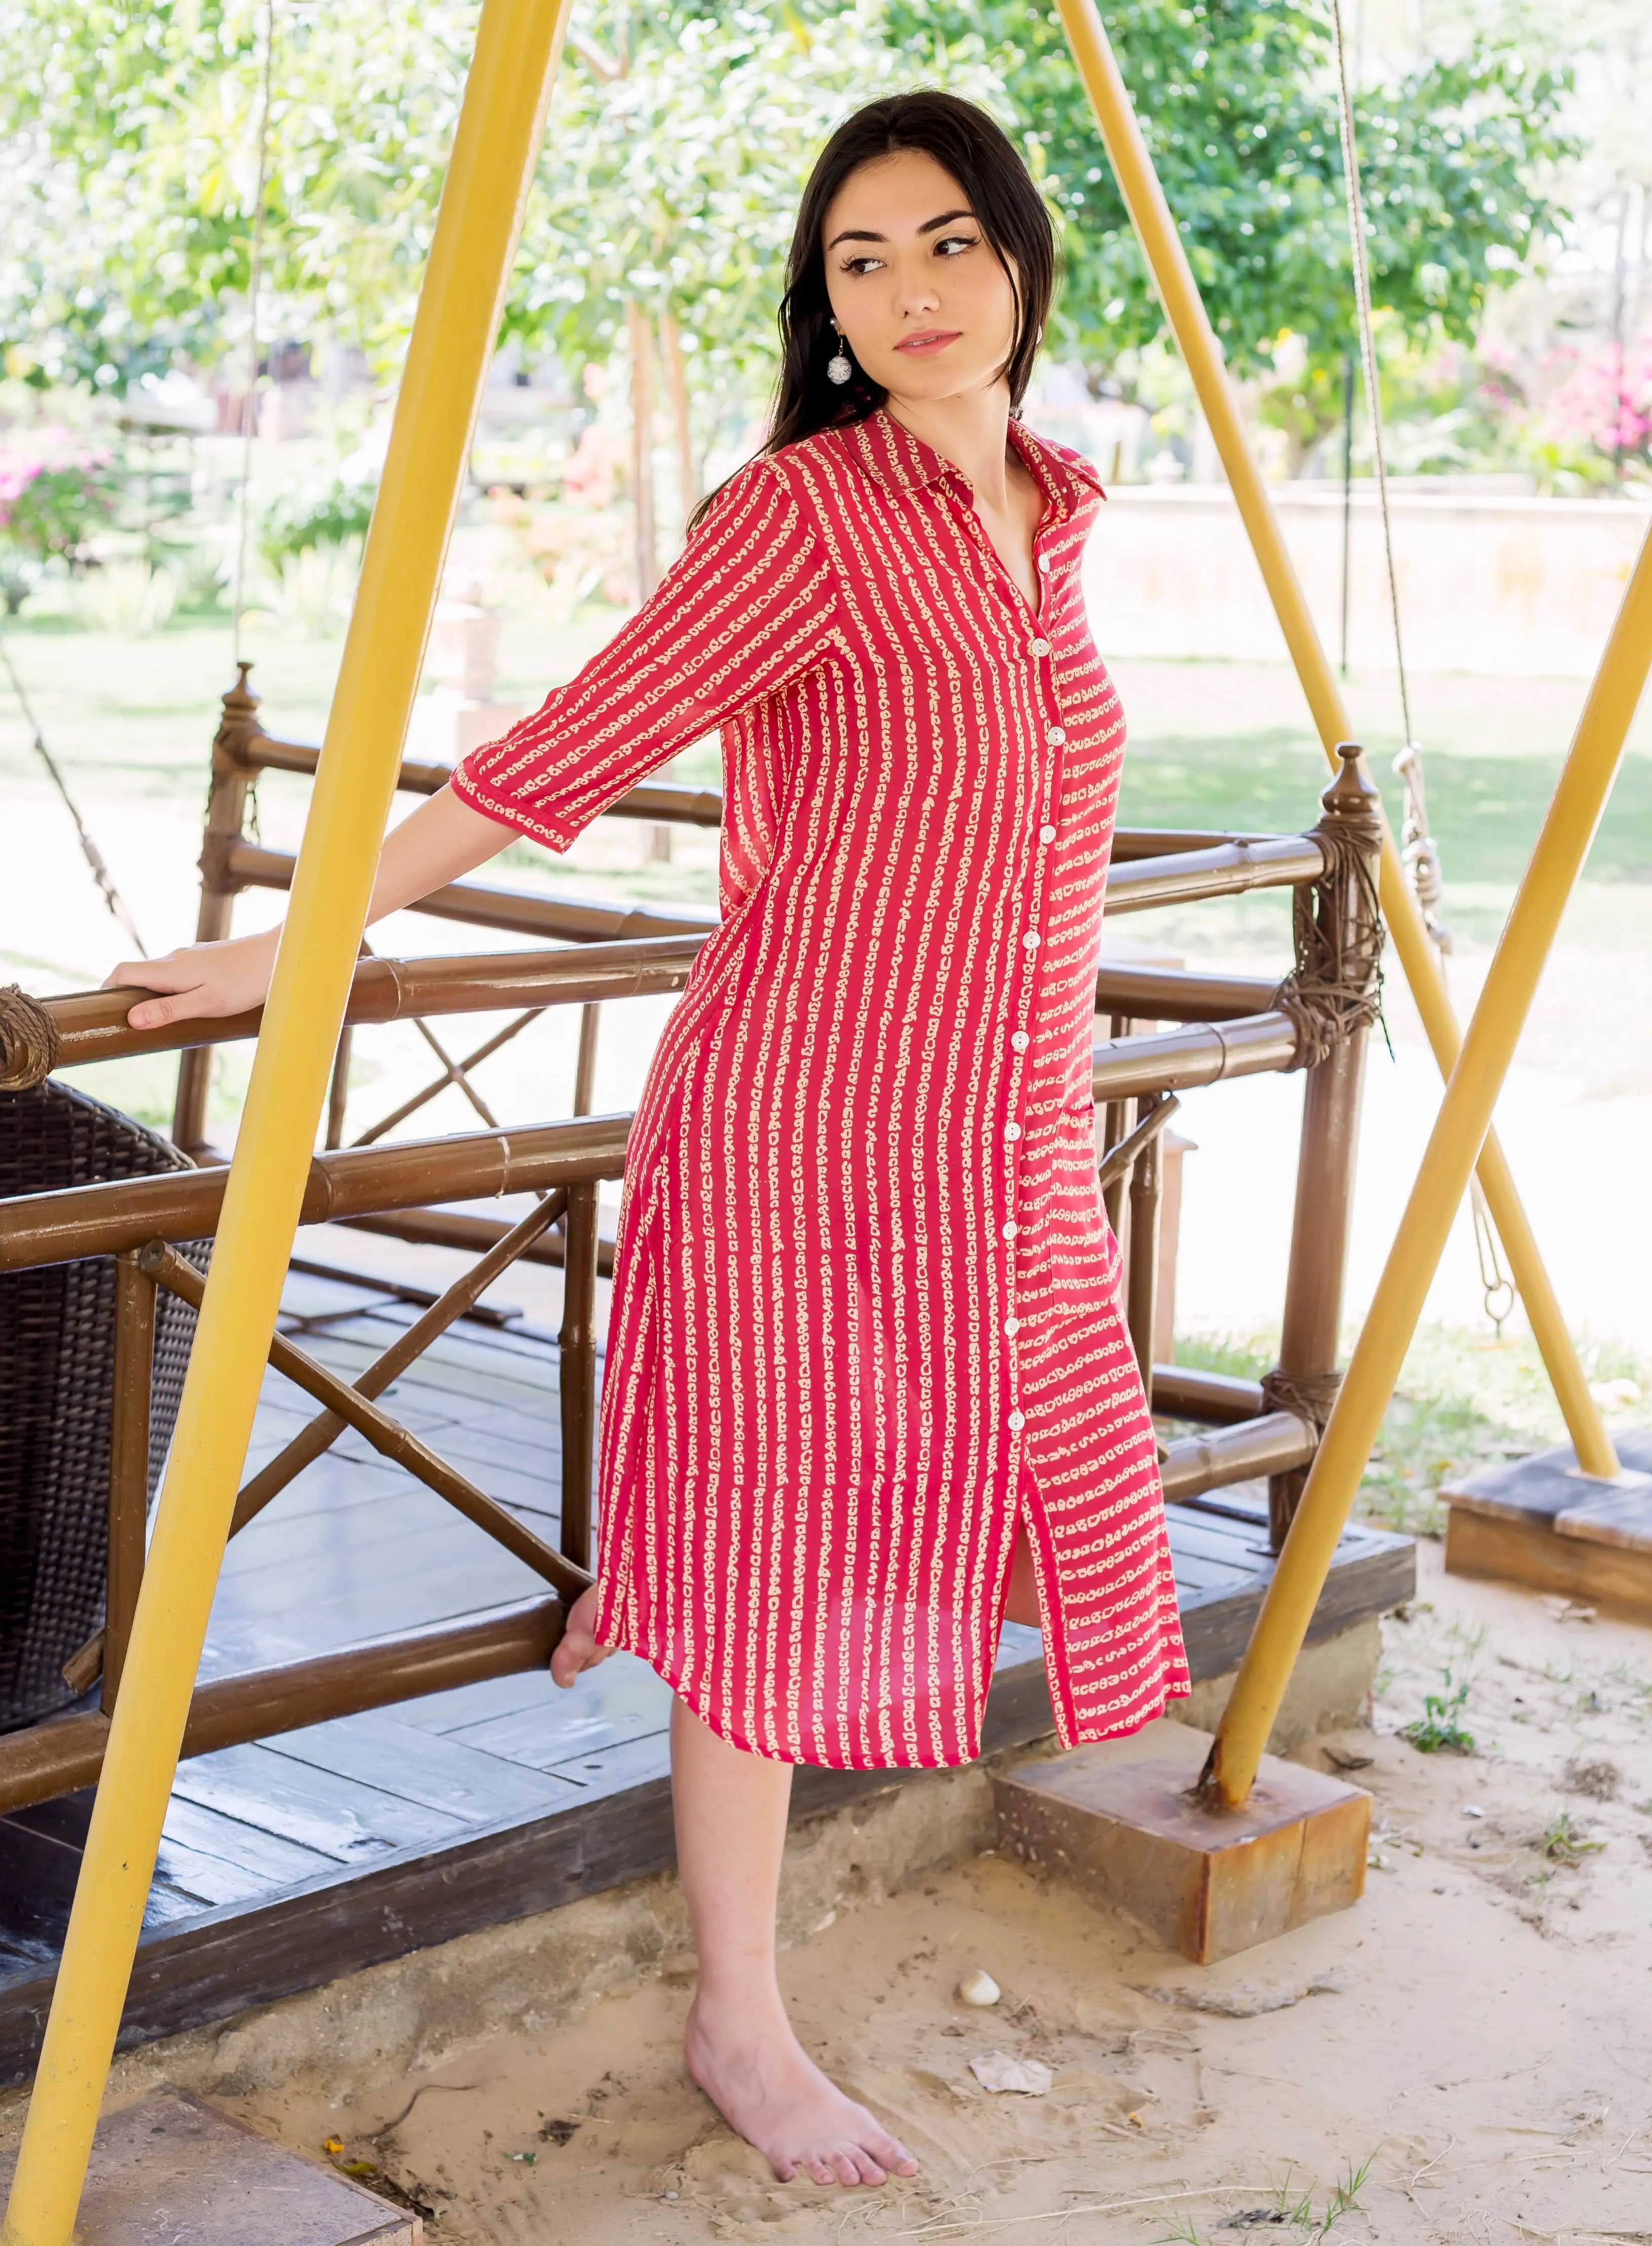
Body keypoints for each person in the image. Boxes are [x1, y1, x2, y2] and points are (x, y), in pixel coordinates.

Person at [110, 90, 1190, 2190]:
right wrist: (300, 943)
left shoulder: (1052, 511)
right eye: (858, 261)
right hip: (805, 1112)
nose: (906, 292)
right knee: (792, 1550)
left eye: (946, 243)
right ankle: (741, 2011)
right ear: (826, 303)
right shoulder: (799, 514)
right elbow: (563, 753)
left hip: (995, 1135)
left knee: (942, 1496)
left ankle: (656, 1577)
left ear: (1024, 261)